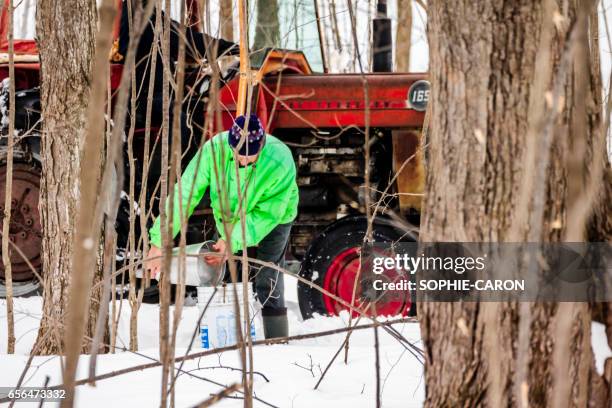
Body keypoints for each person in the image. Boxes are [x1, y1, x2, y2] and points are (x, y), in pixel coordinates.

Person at [147, 114, 299, 339]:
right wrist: (160, 241)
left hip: (274, 218)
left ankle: (276, 339)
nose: (244, 161)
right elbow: (185, 193)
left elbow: (267, 213)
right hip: (228, 216)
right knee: (221, 272)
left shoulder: (280, 159)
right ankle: (222, 333)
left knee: (269, 274)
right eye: (239, 154)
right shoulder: (213, 151)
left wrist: (231, 240)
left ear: (263, 145)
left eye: (251, 156)